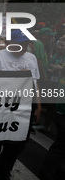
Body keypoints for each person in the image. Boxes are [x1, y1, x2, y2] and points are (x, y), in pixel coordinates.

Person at [0, 30, 41, 180]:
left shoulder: (31, 57)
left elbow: (35, 82)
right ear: (10, 43)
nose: (22, 47)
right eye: (19, 44)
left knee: (19, 141)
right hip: (3, 105)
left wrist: (38, 106)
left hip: (25, 106)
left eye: (25, 44)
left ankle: (5, 169)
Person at [40, 36, 65, 179]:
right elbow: (49, 69)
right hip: (59, 101)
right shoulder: (55, 56)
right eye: (59, 45)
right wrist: (53, 72)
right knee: (60, 145)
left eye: (63, 45)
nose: (61, 48)